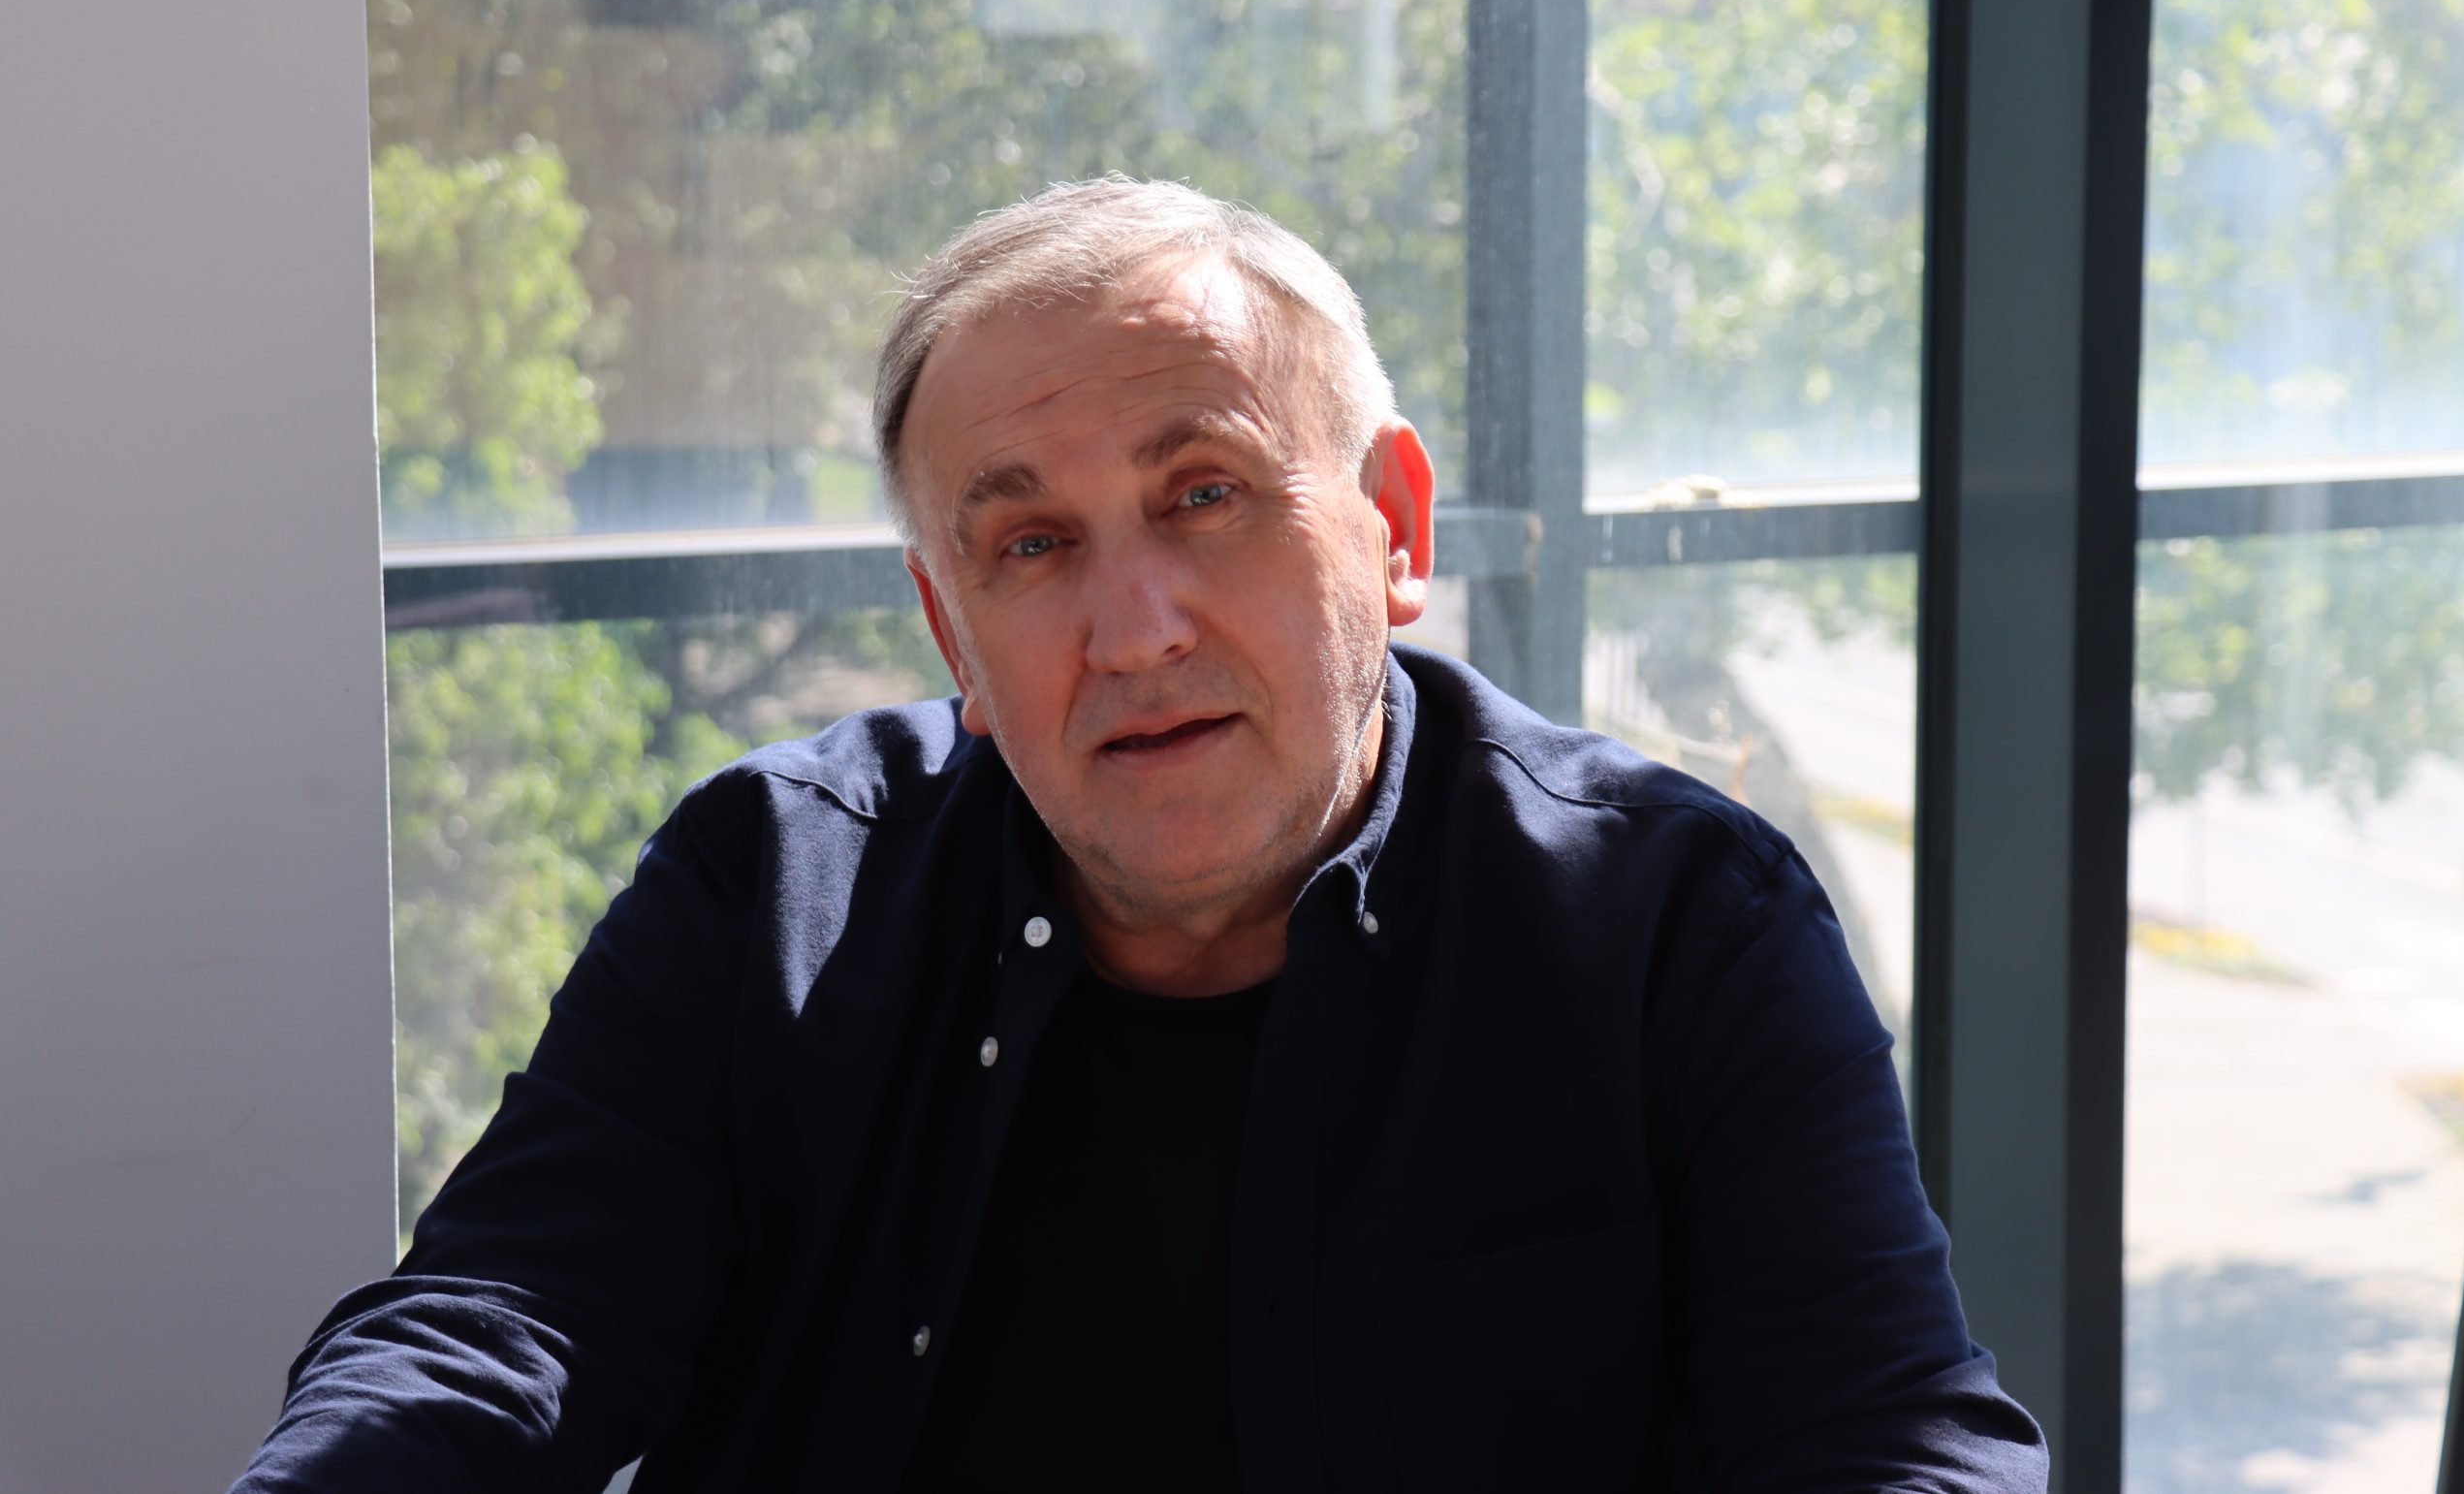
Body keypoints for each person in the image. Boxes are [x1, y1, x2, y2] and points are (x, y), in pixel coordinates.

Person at [231, 176, 2045, 1492]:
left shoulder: (1674, 928)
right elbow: (496, 1327)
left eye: (1206, 494)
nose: (1136, 627)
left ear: (1394, 529)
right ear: (953, 635)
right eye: (1031, 546)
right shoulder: (769, 888)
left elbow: (1888, 1441)